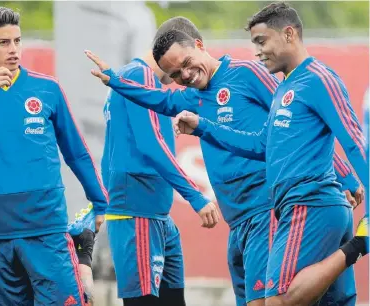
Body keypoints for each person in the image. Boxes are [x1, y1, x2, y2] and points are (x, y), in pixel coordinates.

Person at [85, 18, 362, 306]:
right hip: (236, 221)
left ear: (200, 46)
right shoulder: (192, 97)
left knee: (276, 301)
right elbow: (158, 100)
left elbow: (301, 128)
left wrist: (346, 176)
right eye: (176, 74)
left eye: (187, 63)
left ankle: (358, 245)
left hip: (265, 211)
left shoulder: (248, 74)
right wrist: (115, 81)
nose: (186, 75)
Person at [171, 2, 368, 305]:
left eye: (262, 41)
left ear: (289, 34)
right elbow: (260, 145)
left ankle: (359, 245)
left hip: (310, 205)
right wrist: (203, 128)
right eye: (254, 44)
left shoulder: (318, 77)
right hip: (303, 207)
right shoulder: (283, 90)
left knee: (276, 299)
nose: (258, 51)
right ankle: (357, 245)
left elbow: (354, 143)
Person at [0, 7, 108, 306]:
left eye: (17, 41)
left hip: (47, 232)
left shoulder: (46, 88)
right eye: (4, 43)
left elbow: (77, 152)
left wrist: (100, 202)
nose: (14, 50)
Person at [96, 17, 220, 306]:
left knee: (173, 299)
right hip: (138, 211)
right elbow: (151, 146)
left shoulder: (139, 81)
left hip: (154, 212)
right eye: (178, 67)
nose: (182, 75)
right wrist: (196, 197)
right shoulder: (138, 76)